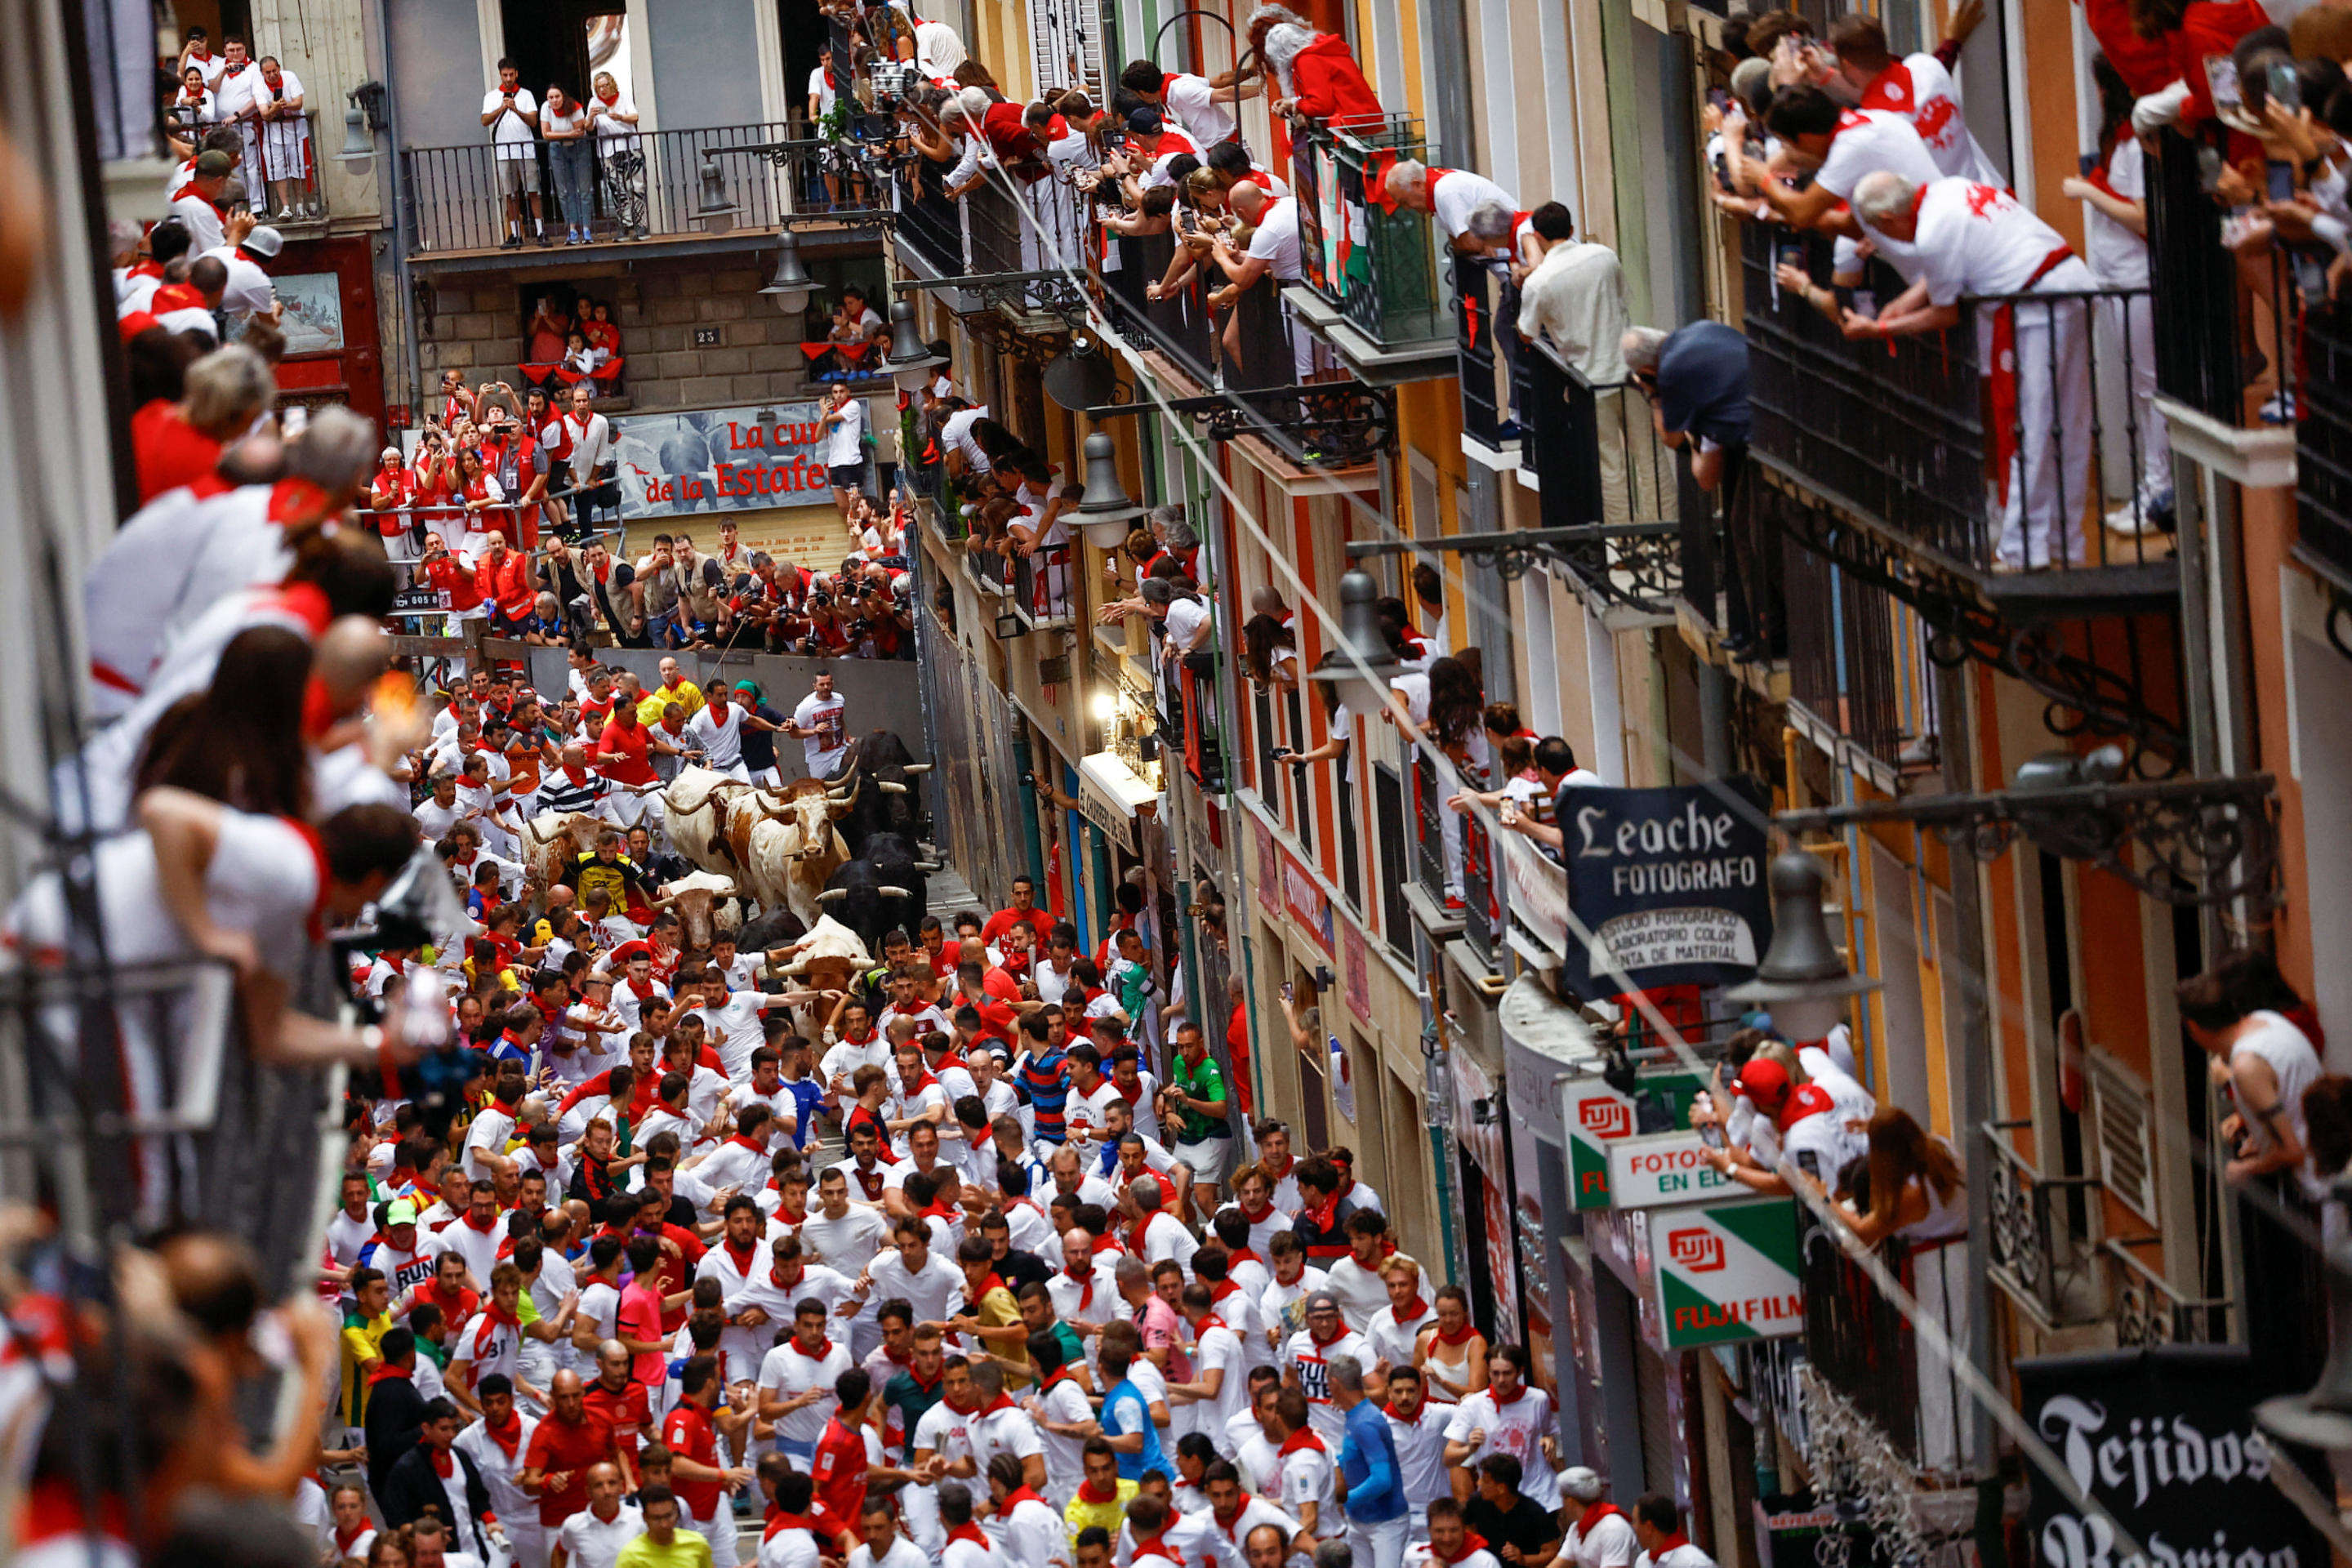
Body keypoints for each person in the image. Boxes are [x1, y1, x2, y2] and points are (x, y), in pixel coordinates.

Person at [1331, 1352, 1408, 1568]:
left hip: (1385, 1524)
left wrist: (1344, 1501)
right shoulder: (1354, 1416)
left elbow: (1382, 1480)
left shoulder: (1365, 1422)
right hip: (1359, 1521)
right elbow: (1353, 1460)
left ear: (1335, 1384)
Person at [483, 59, 546, 248]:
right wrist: (502, 108)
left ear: (516, 74)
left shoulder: (526, 95)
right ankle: (515, 234)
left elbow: (533, 121)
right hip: (504, 151)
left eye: (511, 75)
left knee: (533, 190)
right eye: (505, 75)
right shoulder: (492, 96)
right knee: (510, 193)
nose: (509, 78)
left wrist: (516, 109)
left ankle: (540, 231)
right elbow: (485, 120)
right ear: (500, 75)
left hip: (525, 149)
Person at [1462, 1455, 1561, 1567]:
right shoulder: (1475, 1503)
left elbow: (1551, 1552)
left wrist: (1523, 1559)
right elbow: (1467, 1526)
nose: (1479, 1483)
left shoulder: (1534, 1513)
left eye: (1485, 1480)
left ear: (1501, 1488)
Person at [549, 1463, 641, 1568]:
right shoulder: (574, 1525)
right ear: (588, 1492)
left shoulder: (640, 1519)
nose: (607, 1491)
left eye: (612, 1483)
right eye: (598, 1485)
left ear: (621, 1486)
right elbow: (560, 1552)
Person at [542, 84, 595, 244]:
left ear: (563, 96)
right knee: (564, 191)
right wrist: (566, 134)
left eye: (557, 96)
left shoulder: (574, 107)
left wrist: (558, 134)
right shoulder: (546, 108)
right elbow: (545, 134)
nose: (554, 100)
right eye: (551, 97)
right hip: (557, 150)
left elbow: (579, 132)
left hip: (579, 148)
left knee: (584, 189)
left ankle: (586, 229)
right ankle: (572, 229)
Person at [613, 1486, 711, 1568]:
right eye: (656, 1518)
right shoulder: (631, 1556)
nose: (664, 1524)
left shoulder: (697, 1544)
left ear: (677, 1513)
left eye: (668, 1516)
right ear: (645, 1518)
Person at [1559, 1468, 1637, 1568]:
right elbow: (1560, 1564)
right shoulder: (1575, 1529)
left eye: (1562, 1499)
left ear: (1570, 1502)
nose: (1560, 1505)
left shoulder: (1613, 1529)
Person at [786, 666, 849, 778]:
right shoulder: (806, 707)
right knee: (823, 790)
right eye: (822, 685)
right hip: (819, 758)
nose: (826, 687)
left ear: (833, 683)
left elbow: (840, 719)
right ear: (815, 686)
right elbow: (793, 733)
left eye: (828, 684)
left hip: (840, 752)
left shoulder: (839, 699)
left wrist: (848, 736)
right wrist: (814, 731)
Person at [1406, 1497, 1503, 1568]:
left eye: (1454, 1530)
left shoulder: (1486, 1563)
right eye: (1440, 1531)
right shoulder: (1413, 1556)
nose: (1447, 1538)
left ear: (1464, 1529)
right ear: (1429, 1530)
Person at [819, 385, 868, 522]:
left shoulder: (853, 405)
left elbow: (831, 418)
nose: (838, 395)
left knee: (855, 505)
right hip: (834, 462)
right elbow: (818, 435)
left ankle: (862, 536)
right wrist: (824, 414)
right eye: (835, 392)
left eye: (841, 391)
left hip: (851, 462)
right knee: (842, 507)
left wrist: (823, 411)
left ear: (848, 392)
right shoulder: (829, 411)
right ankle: (852, 535)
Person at [1630, 1494, 1713, 1568]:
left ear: (1649, 1527)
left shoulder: (1694, 1563)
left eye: (1634, 1521)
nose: (1633, 1527)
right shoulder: (1643, 1561)